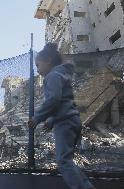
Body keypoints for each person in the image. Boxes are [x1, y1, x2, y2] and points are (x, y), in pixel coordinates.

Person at [28, 43, 95, 189]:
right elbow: (62, 103)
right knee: (67, 160)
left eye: (38, 65)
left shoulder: (52, 76)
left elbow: (53, 100)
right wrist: (51, 120)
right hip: (72, 120)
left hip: (65, 123)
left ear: (49, 61)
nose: (37, 70)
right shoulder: (61, 74)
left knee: (63, 161)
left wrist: (37, 117)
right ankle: (85, 186)